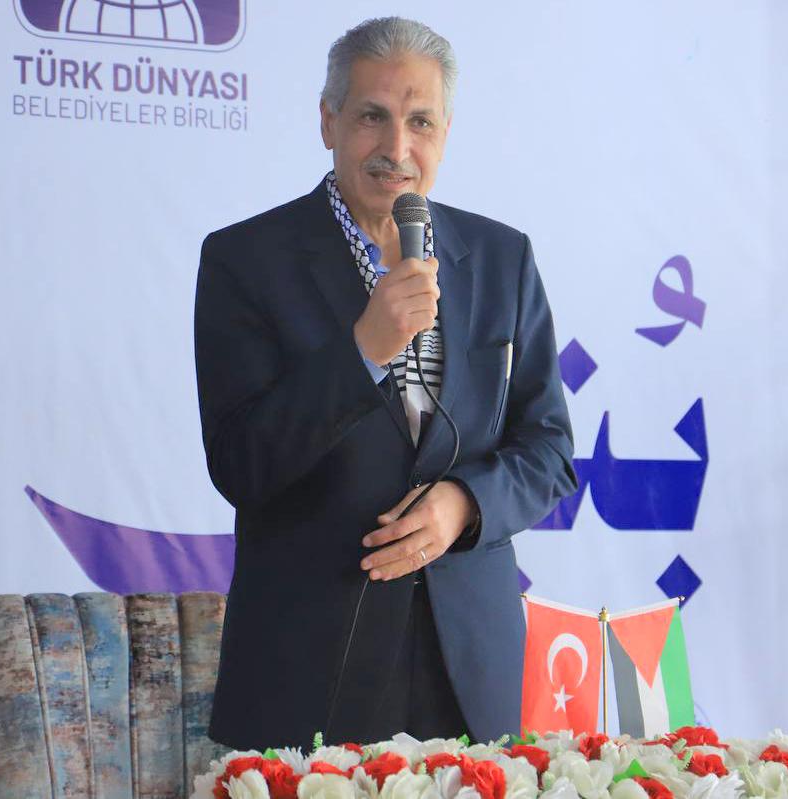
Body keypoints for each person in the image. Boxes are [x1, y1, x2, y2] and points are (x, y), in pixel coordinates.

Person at [195, 17, 576, 750]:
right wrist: (364, 349)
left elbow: (550, 450)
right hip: (307, 668)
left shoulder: (502, 258)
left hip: (471, 667)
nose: (397, 148)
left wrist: (464, 504)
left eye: (420, 121)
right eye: (372, 116)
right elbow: (241, 463)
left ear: (445, 133)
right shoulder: (245, 260)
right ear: (328, 121)